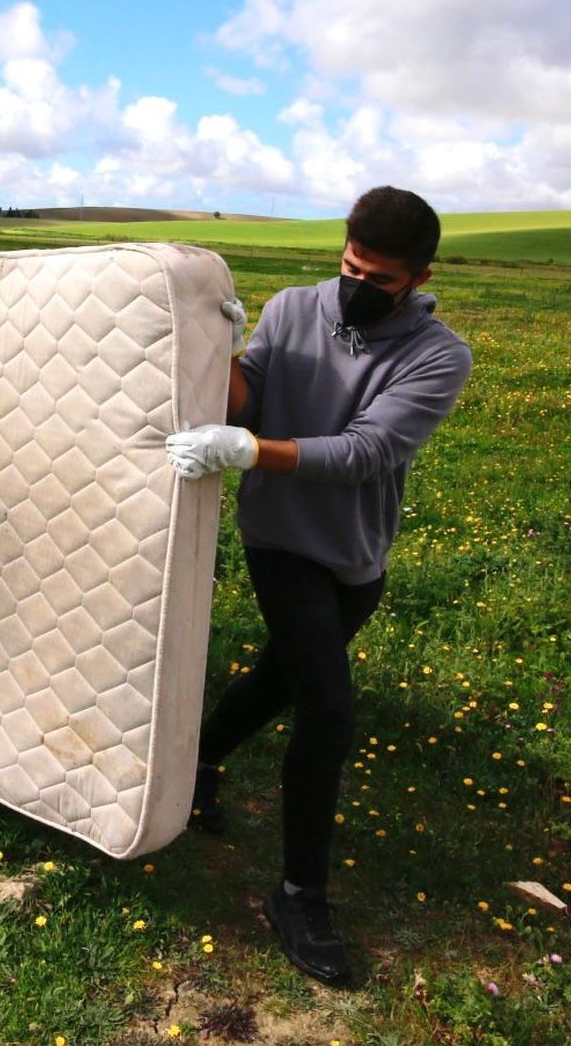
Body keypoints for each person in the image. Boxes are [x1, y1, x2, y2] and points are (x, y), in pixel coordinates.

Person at [165, 186, 472, 985]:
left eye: (380, 279)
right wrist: (218, 353)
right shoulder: (296, 307)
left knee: (281, 679)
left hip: (355, 559)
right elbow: (248, 400)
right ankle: (299, 894)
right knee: (328, 712)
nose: (357, 286)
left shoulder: (440, 356)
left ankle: (196, 766)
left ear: (419, 276)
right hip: (280, 541)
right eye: (350, 266)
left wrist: (247, 451)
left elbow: (367, 452)